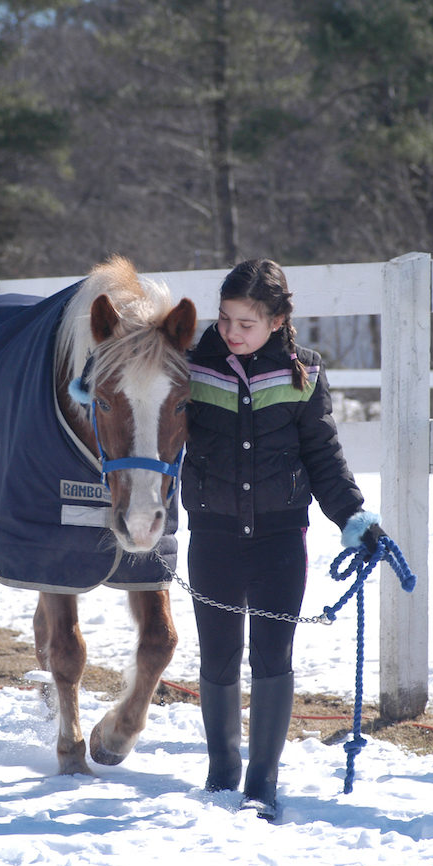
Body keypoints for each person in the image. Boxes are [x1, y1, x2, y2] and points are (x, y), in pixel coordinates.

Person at [181, 258, 385, 821]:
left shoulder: (304, 373)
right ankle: (221, 771)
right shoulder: (193, 367)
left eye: (246, 323)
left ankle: (261, 783)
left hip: (278, 542)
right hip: (213, 538)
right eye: (224, 319)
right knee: (218, 656)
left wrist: (354, 518)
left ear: (276, 321)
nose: (231, 332)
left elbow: (324, 457)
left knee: (273, 657)